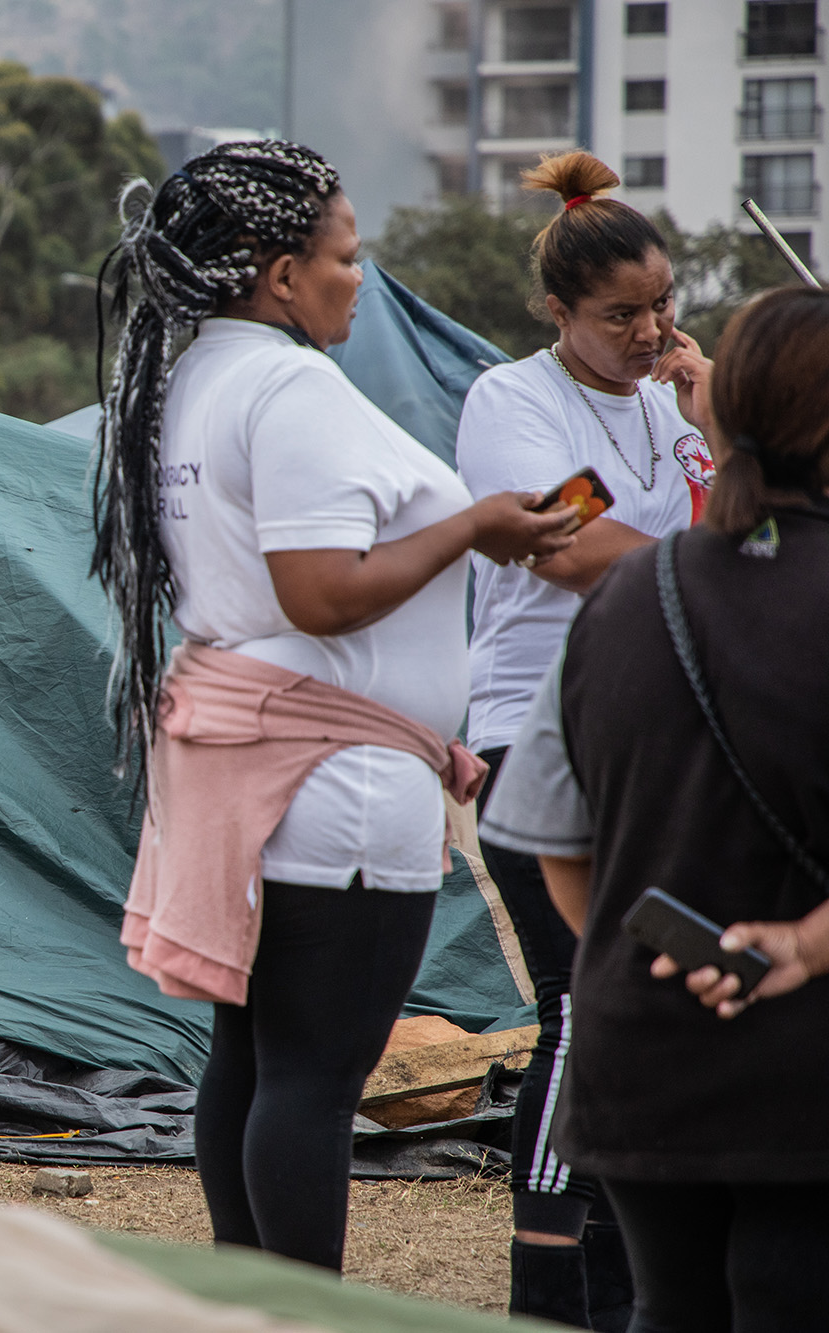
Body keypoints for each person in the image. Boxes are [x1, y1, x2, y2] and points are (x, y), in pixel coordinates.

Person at [94, 141, 574, 1272]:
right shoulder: (290, 386)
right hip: (334, 780)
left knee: (253, 1057)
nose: (359, 278)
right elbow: (318, 592)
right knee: (310, 1074)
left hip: (253, 763)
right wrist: (474, 525)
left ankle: (248, 1297)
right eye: (346, 258)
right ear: (278, 274)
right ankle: (305, 1308)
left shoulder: (188, 374)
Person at [479, 285, 829, 1330]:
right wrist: (801, 946)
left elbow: (552, 838)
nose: (647, 328)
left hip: (646, 1047)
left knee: (668, 1303)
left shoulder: (627, 597)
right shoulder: (517, 401)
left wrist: (656, 946)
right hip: (802, 1066)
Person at [453, 152, 713, 1329]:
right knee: (579, 1006)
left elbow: (756, 530)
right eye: (618, 314)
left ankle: (630, 1278)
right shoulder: (510, 402)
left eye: (660, 304)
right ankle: (548, 1282)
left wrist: (720, 425)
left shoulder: (672, 405)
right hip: (541, 736)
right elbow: (564, 546)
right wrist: (720, 571)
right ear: (556, 311)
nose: (648, 331)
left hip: (663, 741)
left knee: (657, 1007)